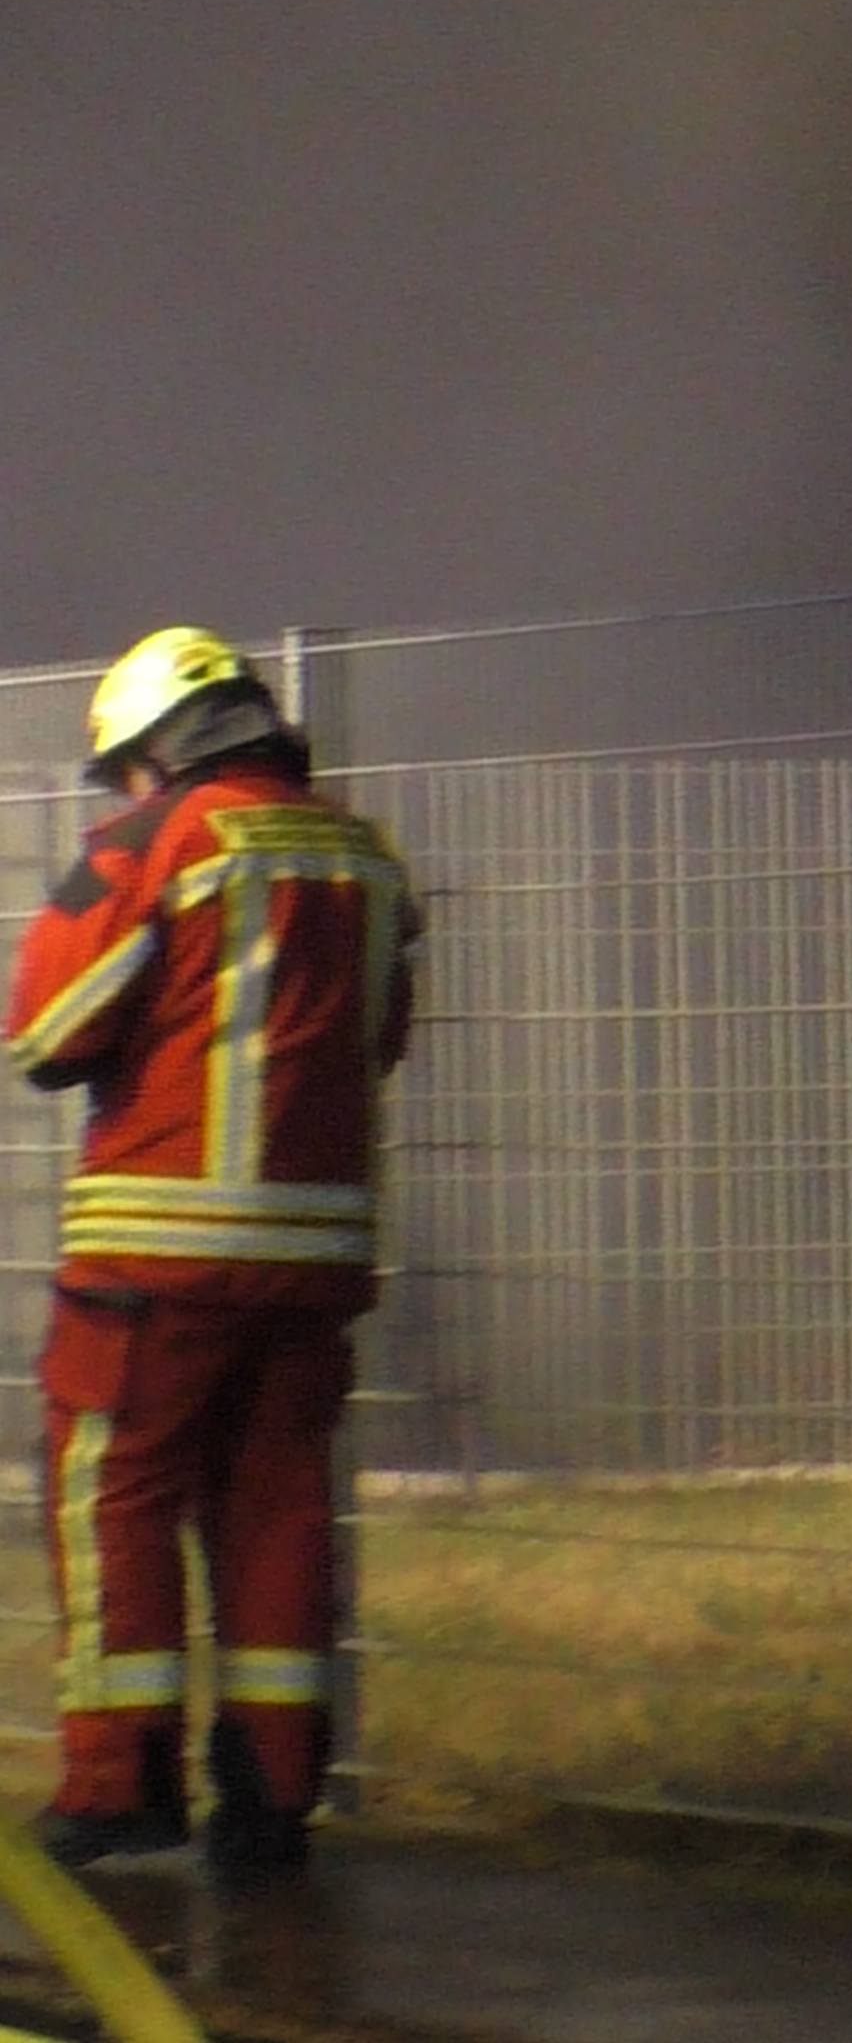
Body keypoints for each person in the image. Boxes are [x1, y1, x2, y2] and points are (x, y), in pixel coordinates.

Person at [7, 628, 418, 1872]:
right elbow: (379, 1035)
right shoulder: (365, 855)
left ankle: (119, 1785)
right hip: (318, 1252)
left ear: (158, 747)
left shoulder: (159, 840)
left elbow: (47, 1032)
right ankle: (270, 1799)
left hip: (156, 1256)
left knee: (115, 1494)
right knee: (276, 1505)